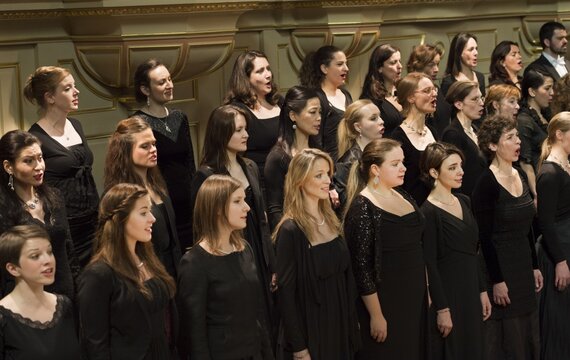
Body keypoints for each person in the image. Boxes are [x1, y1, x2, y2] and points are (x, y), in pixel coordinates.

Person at [190, 104, 277, 343]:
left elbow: (262, 219)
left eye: (246, 129)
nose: (246, 135)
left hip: (256, 248)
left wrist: (272, 263)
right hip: (228, 251)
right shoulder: (207, 176)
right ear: (222, 133)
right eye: (239, 130)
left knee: (266, 312)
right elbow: (203, 227)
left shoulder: (249, 166)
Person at [343, 139, 427, 359]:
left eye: (403, 162)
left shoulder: (404, 195)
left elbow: (419, 246)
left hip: (413, 297)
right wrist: (376, 315)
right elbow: (361, 268)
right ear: (375, 169)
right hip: (386, 301)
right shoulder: (362, 206)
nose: (404, 168)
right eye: (396, 163)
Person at [274, 148, 359, 360]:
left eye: (328, 174)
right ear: (300, 180)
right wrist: (299, 346)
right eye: (318, 175)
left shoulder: (331, 219)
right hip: (312, 328)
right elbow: (286, 295)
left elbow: (347, 276)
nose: (327, 181)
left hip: (339, 322)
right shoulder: (290, 230)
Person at [178, 175, 273, 360]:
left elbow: (258, 314)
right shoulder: (194, 263)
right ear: (217, 209)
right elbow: (195, 335)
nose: (247, 207)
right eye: (237, 201)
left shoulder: (245, 249)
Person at [472, 114, 543, 360]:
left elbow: (528, 227)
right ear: (493, 145)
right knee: (508, 339)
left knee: (529, 335)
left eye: (517, 137)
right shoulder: (486, 184)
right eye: (510, 138)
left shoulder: (519, 175)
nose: (518, 142)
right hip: (499, 268)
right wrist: (497, 280)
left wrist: (534, 265)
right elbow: (485, 237)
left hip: (522, 264)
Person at [78, 183, 177, 359]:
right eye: (143, 212)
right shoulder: (98, 274)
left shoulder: (149, 259)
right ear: (120, 220)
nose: (153, 219)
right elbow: (95, 344)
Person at [419, 142, 492, 360]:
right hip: (449, 293)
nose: (460, 172)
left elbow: (474, 251)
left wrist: (481, 290)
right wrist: (442, 309)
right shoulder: (427, 212)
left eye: (460, 166)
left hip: (470, 289)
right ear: (434, 172)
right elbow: (429, 263)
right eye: (452, 168)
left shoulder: (464, 200)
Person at [25, 66, 99, 269]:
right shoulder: (36, 137)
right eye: (68, 88)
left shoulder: (76, 125)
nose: (76, 92)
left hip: (93, 219)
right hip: (67, 224)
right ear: (50, 97)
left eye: (74, 86)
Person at [0, 130, 76, 300]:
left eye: (40, 158)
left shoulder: (55, 197)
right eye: (29, 161)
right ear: (8, 167)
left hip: (65, 295)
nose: (39, 166)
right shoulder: (3, 208)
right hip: (26, 300)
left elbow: (68, 250)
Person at [104, 117, 182, 278]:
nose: (153, 149)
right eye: (145, 146)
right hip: (147, 276)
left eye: (154, 144)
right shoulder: (119, 195)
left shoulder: (157, 183)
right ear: (125, 151)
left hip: (173, 271)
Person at [133, 58, 196, 249]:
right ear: (145, 90)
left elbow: (190, 162)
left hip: (187, 203)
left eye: (169, 79)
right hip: (161, 205)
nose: (169, 85)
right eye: (161, 82)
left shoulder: (179, 117)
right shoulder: (138, 122)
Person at [0, 225, 80, 359]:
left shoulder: (65, 305)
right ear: (13, 268)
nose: (48, 261)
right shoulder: (4, 319)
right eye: (35, 256)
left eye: (49, 252)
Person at [535, 112, 570, 359]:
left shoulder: (565, 164)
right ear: (559, 134)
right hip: (559, 250)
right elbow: (545, 222)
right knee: (558, 319)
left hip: (567, 243)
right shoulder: (549, 172)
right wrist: (560, 262)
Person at [265, 86, 321, 230]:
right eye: (313, 112)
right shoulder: (278, 157)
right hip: (296, 231)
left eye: (319, 112)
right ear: (293, 116)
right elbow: (275, 209)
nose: (319, 118)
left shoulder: (318, 149)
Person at [224, 50, 282, 188]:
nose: (268, 75)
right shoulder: (238, 111)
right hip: (259, 184)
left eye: (268, 69)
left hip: (288, 178)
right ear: (246, 77)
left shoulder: (281, 102)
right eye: (260, 71)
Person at [389, 72, 437, 205]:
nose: (434, 94)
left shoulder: (432, 131)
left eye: (434, 89)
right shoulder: (398, 137)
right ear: (411, 98)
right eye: (427, 91)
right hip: (414, 209)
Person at [299, 45, 352, 161]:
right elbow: (315, 139)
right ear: (324, 68)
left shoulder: (346, 94)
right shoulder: (317, 98)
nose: (346, 68)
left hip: (350, 160)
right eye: (339, 64)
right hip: (332, 163)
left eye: (346, 63)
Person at [334, 99, 384, 207]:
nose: (381, 121)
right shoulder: (348, 163)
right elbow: (348, 206)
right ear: (358, 127)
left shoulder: (383, 153)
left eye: (380, 116)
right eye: (373, 118)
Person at [441, 80, 487, 196]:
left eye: (481, 98)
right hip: (466, 198)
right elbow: (452, 173)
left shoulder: (475, 129)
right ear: (459, 104)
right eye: (475, 99)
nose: (481, 103)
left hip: (481, 196)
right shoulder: (452, 134)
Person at [517, 69, 554, 196]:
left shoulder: (546, 114)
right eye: (547, 88)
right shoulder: (523, 121)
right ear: (532, 91)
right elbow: (525, 163)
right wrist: (537, 195)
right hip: (542, 186)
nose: (552, 93)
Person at [440, 33, 486, 132]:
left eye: (476, 48)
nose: (476, 53)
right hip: (460, 131)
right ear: (459, 53)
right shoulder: (449, 81)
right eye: (471, 49)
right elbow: (446, 115)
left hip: (481, 131)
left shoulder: (480, 77)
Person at [360, 44, 403, 137]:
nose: (400, 66)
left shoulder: (402, 90)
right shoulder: (372, 98)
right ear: (379, 68)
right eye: (393, 63)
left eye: (400, 61)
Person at [407, 43, 448, 136]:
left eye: (437, 64)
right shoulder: (412, 92)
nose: (436, 69)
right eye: (431, 65)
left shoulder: (437, 88)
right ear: (419, 65)